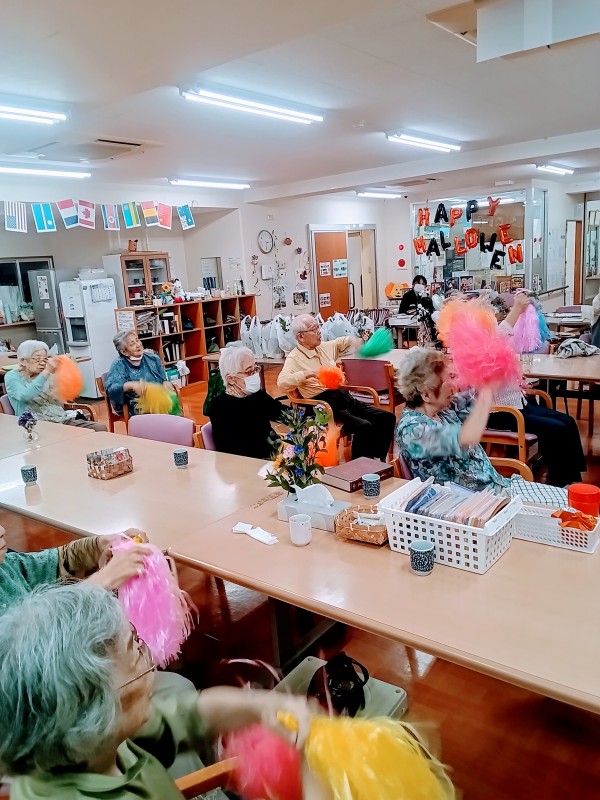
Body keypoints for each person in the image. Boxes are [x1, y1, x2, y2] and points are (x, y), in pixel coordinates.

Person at [0, 584, 313, 800]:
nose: (146, 654)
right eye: (133, 647)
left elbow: (190, 715)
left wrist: (261, 707)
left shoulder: (87, 741)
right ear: (93, 704)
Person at [396, 347, 568, 505]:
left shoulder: (443, 409)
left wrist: (490, 378)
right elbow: (466, 437)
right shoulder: (413, 430)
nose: (453, 385)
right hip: (474, 505)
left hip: (498, 488)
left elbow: (471, 398)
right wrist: (486, 393)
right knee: (564, 507)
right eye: (447, 380)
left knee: (569, 500)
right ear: (426, 394)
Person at [489, 292, 586, 487]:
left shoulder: (496, 346)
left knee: (567, 422)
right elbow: (501, 335)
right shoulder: (482, 350)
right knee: (556, 429)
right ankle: (560, 483)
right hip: (502, 414)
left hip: (519, 405)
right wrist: (517, 308)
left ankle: (573, 478)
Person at [277, 314, 396, 461]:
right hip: (322, 407)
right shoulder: (294, 358)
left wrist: (357, 341)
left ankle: (376, 460)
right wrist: (308, 374)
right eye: (314, 329)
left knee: (387, 418)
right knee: (364, 426)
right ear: (301, 337)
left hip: (342, 399)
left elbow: (342, 342)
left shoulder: (323, 347)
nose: (319, 331)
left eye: (318, 327)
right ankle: (359, 466)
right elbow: (281, 382)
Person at [0, 523, 151, 609]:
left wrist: (101, 545)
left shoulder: (6, 566)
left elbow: (56, 561)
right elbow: (33, 640)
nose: (2, 530)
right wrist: (98, 583)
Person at [5, 340, 106, 430]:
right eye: (37, 359)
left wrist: (66, 369)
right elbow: (24, 395)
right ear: (23, 361)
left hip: (60, 420)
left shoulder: (46, 373)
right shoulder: (12, 377)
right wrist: (46, 372)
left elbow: (68, 395)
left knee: (99, 428)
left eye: (44, 359)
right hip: (34, 425)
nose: (42, 363)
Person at [209, 346, 286, 458]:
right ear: (231, 379)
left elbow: (281, 413)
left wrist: (306, 420)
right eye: (249, 371)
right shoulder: (220, 406)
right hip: (244, 461)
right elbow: (232, 448)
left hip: (269, 453)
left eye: (256, 369)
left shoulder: (256, 395)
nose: (255, 375)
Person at [105, 331, 172, 418]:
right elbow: (111, 389)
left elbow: (163, 379)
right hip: (135, 405)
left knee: (172, 410)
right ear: (124, 352)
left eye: (137, 340)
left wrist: (166, 382)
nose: (138, 345)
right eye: (132, 344)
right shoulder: (119, 364)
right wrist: (131, 385)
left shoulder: (153, 358)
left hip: (159, 400)